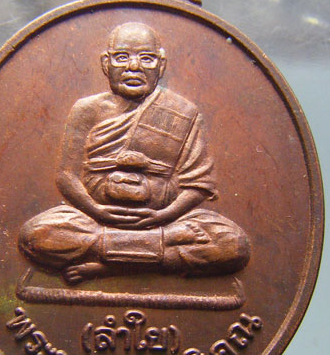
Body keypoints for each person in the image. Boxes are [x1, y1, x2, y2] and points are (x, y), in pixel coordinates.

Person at [19, 22, 250, 284]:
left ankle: (110, 264)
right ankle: (154, 252)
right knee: (35, 237)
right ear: (106, 64)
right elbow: (66, 176)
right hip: (97, 221)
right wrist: (97, 211)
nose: (133, 67)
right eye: (121, 57)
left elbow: (199, 184)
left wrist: (163, 216)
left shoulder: (184, 111)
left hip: (165, 220)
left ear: (161, 65)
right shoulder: (86, 110)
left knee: (234, 245)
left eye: (147, 59)